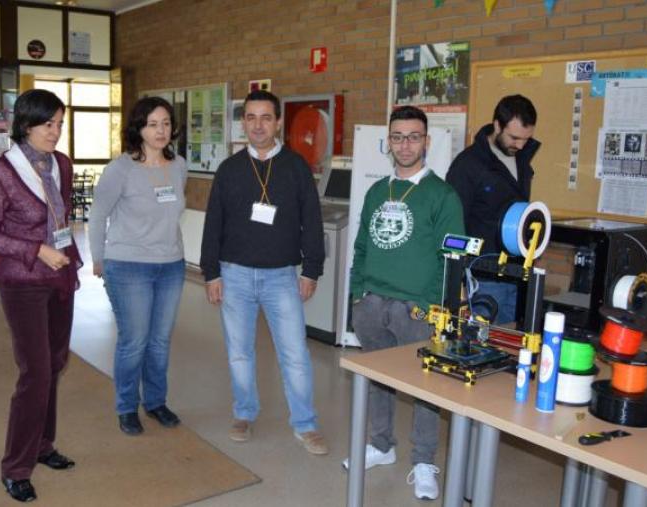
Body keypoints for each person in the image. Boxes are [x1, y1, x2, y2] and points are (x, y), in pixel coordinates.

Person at [343, 106, 465, 500]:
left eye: (413, 136)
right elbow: (361, 247)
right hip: (373, 304)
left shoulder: (442, 195)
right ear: (389, 142)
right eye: (397, 137)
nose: (405, 144)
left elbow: (452, 258)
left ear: (426, 142)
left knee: (425, 388)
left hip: (418, 309)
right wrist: (357, 294)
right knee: (379, 381)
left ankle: (424, 461)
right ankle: (381, 446)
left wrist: (432, 306)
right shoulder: (379, 191)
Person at [200, 90, 329, 455]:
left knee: (294, 353)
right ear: (243, 123)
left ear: (277, 123)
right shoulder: (229, 169)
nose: (258, 125)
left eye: (265, 118)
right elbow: (214, 225)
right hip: (235, 274)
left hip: (281, 276)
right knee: (239, 352)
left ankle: (305, 424)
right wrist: (211, 273)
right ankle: (244, 413)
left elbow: (312, 222)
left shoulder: (296, 167)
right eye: (251, 118)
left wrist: (312, 270)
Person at [0, 89, 83, 503]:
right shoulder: (2, 172)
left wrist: (64, 256)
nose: (55, 132)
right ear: (25, 125)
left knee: (54, 364)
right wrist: (35, 249)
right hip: (22, 281)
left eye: (59, 123)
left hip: (59, 276)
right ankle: (15, 467)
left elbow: (61, 217)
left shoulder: (62, 164)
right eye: (47, 124)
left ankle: (43, 446)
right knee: (35, 372)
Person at [88, 97, 187, 436]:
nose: (161, 131)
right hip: (128, 266)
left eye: (165, 123)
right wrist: (98, 257)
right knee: (135, 341)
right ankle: (127, 406)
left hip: (171, 265)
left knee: (160, 341)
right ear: (139, 128)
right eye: (152, 124)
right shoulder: (121, 169)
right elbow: (98, 214)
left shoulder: (179, 166)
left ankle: (156, 402)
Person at [446, 94, 539, 324]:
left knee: (511, 344)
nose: (520, 145)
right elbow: (453, 223)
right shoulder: (467, 165)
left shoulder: (522, 159)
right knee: (480, 345)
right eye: (514, 137)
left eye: (526, 139)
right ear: (497, 125)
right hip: (483, 276)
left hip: (518, 273)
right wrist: (458, 280)